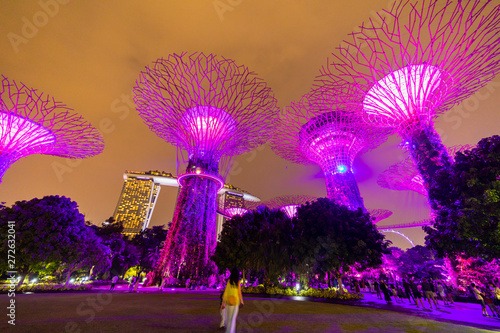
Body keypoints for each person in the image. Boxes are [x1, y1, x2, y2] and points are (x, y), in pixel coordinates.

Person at [221, 268, 244, 333]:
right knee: (232, 319)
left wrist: (223, 302)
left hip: (228, 301)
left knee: (228, 318)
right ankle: (230, 331)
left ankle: (229, 331)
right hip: (235, 302)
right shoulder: (238, 282)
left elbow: (226, 292)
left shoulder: (229, 281)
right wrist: (242, 301)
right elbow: (239, 292)